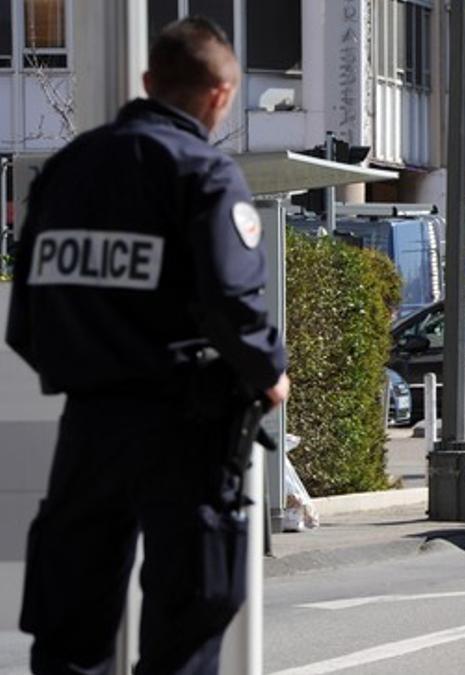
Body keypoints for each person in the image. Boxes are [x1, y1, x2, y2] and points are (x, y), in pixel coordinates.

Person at [6, 18, 289, 674]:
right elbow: (234, 303)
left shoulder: (66, 170)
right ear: (220, 95)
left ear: (147, 82)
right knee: (188, 621)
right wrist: (270, 371)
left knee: (69, 625)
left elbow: (27, 318)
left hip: (87, 427)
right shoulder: (205, 174)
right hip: (182, 426)